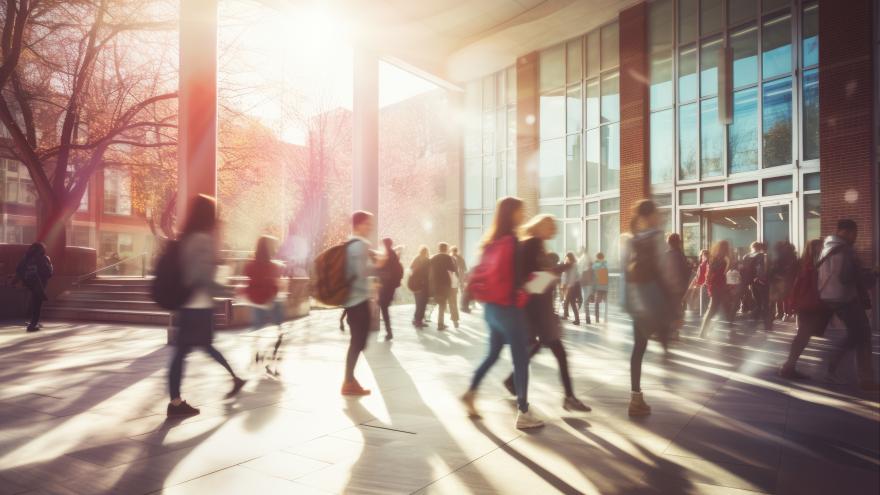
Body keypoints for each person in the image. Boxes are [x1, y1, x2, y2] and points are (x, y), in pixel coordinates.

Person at [461, 196, 544, 429]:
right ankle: (524, 412)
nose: (523, 215)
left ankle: (470, 393)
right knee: (521, 360)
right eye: (520, 211)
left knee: (493, 354)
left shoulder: (490, 243)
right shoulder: (513, 242)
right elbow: (519, 281)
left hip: (491, 309)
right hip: (509, 309)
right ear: (512, 214)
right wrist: (540, 281)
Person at [501, 215, 590, 412]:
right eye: (550, 226)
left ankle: (512, 381)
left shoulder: (535, 244)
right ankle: (567, 397)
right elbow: (531, 281)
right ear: (540, 226)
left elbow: (535, 277)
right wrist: (559, 270)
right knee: (558, 352)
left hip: (538, 310)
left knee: (540, 348)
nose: (554, 230)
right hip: (537, 311)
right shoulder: (532, 244)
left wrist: (555, 271)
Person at [167, 195, 245, 417]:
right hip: (198, 307)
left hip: (187, 305)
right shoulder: (203, 240)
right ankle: (234, 379)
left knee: (186, 351)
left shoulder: (187, 238)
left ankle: (176, 402)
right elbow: (201, 277)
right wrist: (227, 291)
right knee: (199, 348)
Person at [621, 200, 676, 416]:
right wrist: (674, 304)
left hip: (637, 301)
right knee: (660, 332)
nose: (660, 216)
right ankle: (665, 345)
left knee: (638, 348)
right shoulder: (656, 237)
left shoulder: (628, 239)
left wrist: (628, 301)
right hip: (654, 300)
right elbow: (664, 271)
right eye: (657, 213)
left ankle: (635, 398)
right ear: (650, 215)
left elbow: (625, 272)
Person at [818, 220, 878, 391]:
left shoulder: (828, 247)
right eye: (855, 234)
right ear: (849, 232)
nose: (855, 237)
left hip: (830, 296)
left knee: (858, 334)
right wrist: (873, 274)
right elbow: (847, 277)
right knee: (861, 334)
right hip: (846, 298)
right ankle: (839, 369)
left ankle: (861, 376)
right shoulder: (845, 250)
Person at [340, 211, 376, 396]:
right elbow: (362, 273)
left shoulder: (349, 244)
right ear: (359, 225)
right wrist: (379, 265)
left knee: (358, 341)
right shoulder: (361, 245)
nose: (370, 227)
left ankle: (349, 380)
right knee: (358, 342)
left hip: (350, 300)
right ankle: (348, 382)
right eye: (368, 224)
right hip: (359, 300)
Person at [779, 238, 825, 380]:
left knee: (803, 335)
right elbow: (798, 286)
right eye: (819, 247)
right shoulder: (807, 265)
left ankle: (789, 366)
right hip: (806, 304)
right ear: (813, 249)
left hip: (806, 303)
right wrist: (792, 304)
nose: (821, 249)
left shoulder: (809, 263)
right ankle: (788, 367)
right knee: (802, 336)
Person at [242, 235, 284, 374]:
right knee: (279, 334)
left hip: (256, 304)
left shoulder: (250, 266)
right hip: (272, 303)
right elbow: (276, 286)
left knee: (258, 333)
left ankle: (257, 357)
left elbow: (248, 281)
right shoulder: (274, 266)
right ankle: (270, 361)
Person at [13, 242, 53, 332]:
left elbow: (19, 269)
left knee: (34, 301)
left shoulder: (26, 258)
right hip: (40, 283)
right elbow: (49, 272)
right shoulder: (44, 258)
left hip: (29, 283)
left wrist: (17, 280)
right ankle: (33, 324)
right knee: (37, 303)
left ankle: (33, 321)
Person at [698, 240, 734, 339]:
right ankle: (703, 332)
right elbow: (726, 272)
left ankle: (704, 331)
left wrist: (708, 283)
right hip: (720, 285)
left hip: (714, 285)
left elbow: (710, 273)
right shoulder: (725, 259)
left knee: (717, 308)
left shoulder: (714, 258)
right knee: (716, 308)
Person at [375, 237, 403, 341]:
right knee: (384, 308)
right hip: (389, 287)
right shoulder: (392, 254)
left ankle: (389, 332)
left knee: (383, 308)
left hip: (386, 287)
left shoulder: (388, 255)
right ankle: (388, 331)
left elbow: (381, 269)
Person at [664, 233, 692, 337]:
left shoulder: (667, 255)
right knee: (676, 309)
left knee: (670, 309)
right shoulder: (681, 255)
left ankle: (671, 331)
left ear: (669, 242)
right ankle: (674, 331)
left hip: (669, 288)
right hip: (679, 288)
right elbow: (686, 272)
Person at [743, 241, 771, 331]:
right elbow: (761, 268)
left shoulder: (746, 256)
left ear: (752, 247)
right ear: (760, 248)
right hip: (761, 282)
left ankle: (753, 322)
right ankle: (767, 325)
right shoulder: (762, 256)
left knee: (758, 303)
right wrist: (760, 279)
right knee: (765, 303)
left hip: (752, 283)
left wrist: (749, 281)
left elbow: (744, 270)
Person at [429, 242, 457, 331]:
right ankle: (440, 324)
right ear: (446, 249)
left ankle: (438, 322)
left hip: (435, 284)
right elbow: (452, 270)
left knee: (438, 303)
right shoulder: (448, 258)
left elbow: (428, 270)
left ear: (439, 248)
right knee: (442, 304)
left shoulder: (433, 258)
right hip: (445, 284)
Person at [770, 241, 798, 322]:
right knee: (786, 297)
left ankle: (783, 313)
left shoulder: (781, 257)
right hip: (789, 279)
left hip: (782, 279)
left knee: (783, 297)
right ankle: (787, 313)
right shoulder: (793, 257)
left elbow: (776, 268)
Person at [408, 246, 430, 328]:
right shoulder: (427, 260)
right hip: (423, 285)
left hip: (414, 285)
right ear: (426, 252)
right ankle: (418, 321)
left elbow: (410, 270)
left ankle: (416, 319)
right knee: (422, 304)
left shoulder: (416, 259)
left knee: (418, 304)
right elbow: (429, 273)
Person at [561, 252, 581, 325]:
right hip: (572, 286)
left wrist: (569, 286)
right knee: (571, 302)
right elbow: (565, 275)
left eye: (567, 258)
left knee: (569, 302)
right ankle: (575, 319)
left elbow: (572, 277)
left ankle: (567, 316)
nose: (566, 259)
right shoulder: (571, 265)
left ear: (570, 258)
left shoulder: (574, 265)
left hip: (573, 286)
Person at [451, 246, 469, 315]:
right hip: (459, 276)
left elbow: (464, 268)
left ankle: (457, 305)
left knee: (455, 290)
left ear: (453, 251)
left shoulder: (451, 257)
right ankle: (461, 304)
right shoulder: (460, 258)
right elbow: (465, 268)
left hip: (455, 276)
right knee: (461, 290)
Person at [591, 253, 609, 323]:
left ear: (597, 258)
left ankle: (597, 319)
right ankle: (605, 318)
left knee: (597, 303)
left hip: (598, 287)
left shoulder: (595, 265)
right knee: (606, 303)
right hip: (605, 286)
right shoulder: (606, 264)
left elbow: (593, 272)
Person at [448, 246, 463, 325]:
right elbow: (461, 270)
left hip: (451, 284)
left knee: (451, 302)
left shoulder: (450, 258)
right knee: (453, 302)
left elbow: (450, 272)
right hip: (455, 283)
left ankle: (455, 318)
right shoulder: (457, 259)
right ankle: (454, 317)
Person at [578, 250, 593, 324]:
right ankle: (586, 317)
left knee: (585, 302)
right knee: (585, 301)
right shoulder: (588, 269)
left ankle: (587, 317)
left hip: (587, 285)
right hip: (586, 285)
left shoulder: (587, 269)